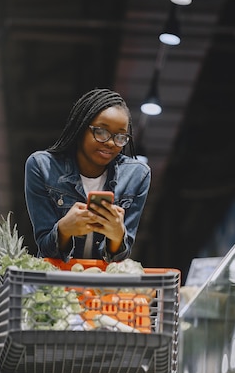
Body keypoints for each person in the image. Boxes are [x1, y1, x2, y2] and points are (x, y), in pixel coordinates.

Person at [24, 88, 150, 263]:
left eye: (121, 136)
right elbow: (46, 249)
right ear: (81, 127)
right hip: (55, 283)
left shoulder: (137, 175)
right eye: (101, 132)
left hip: (104, 286)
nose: (111, 143)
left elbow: (120, 256)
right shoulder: (42, 166)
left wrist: (116, 236)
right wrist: (64, 230)